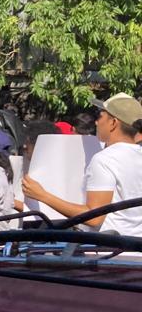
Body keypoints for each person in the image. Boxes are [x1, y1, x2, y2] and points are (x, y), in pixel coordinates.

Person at [23, 93, 142, 236]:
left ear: (113, 123)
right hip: (134, 249)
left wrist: (42, 195)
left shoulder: (105, 159)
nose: (96, 123)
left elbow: (94, 217)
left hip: (107, 251)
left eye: (100, 116)